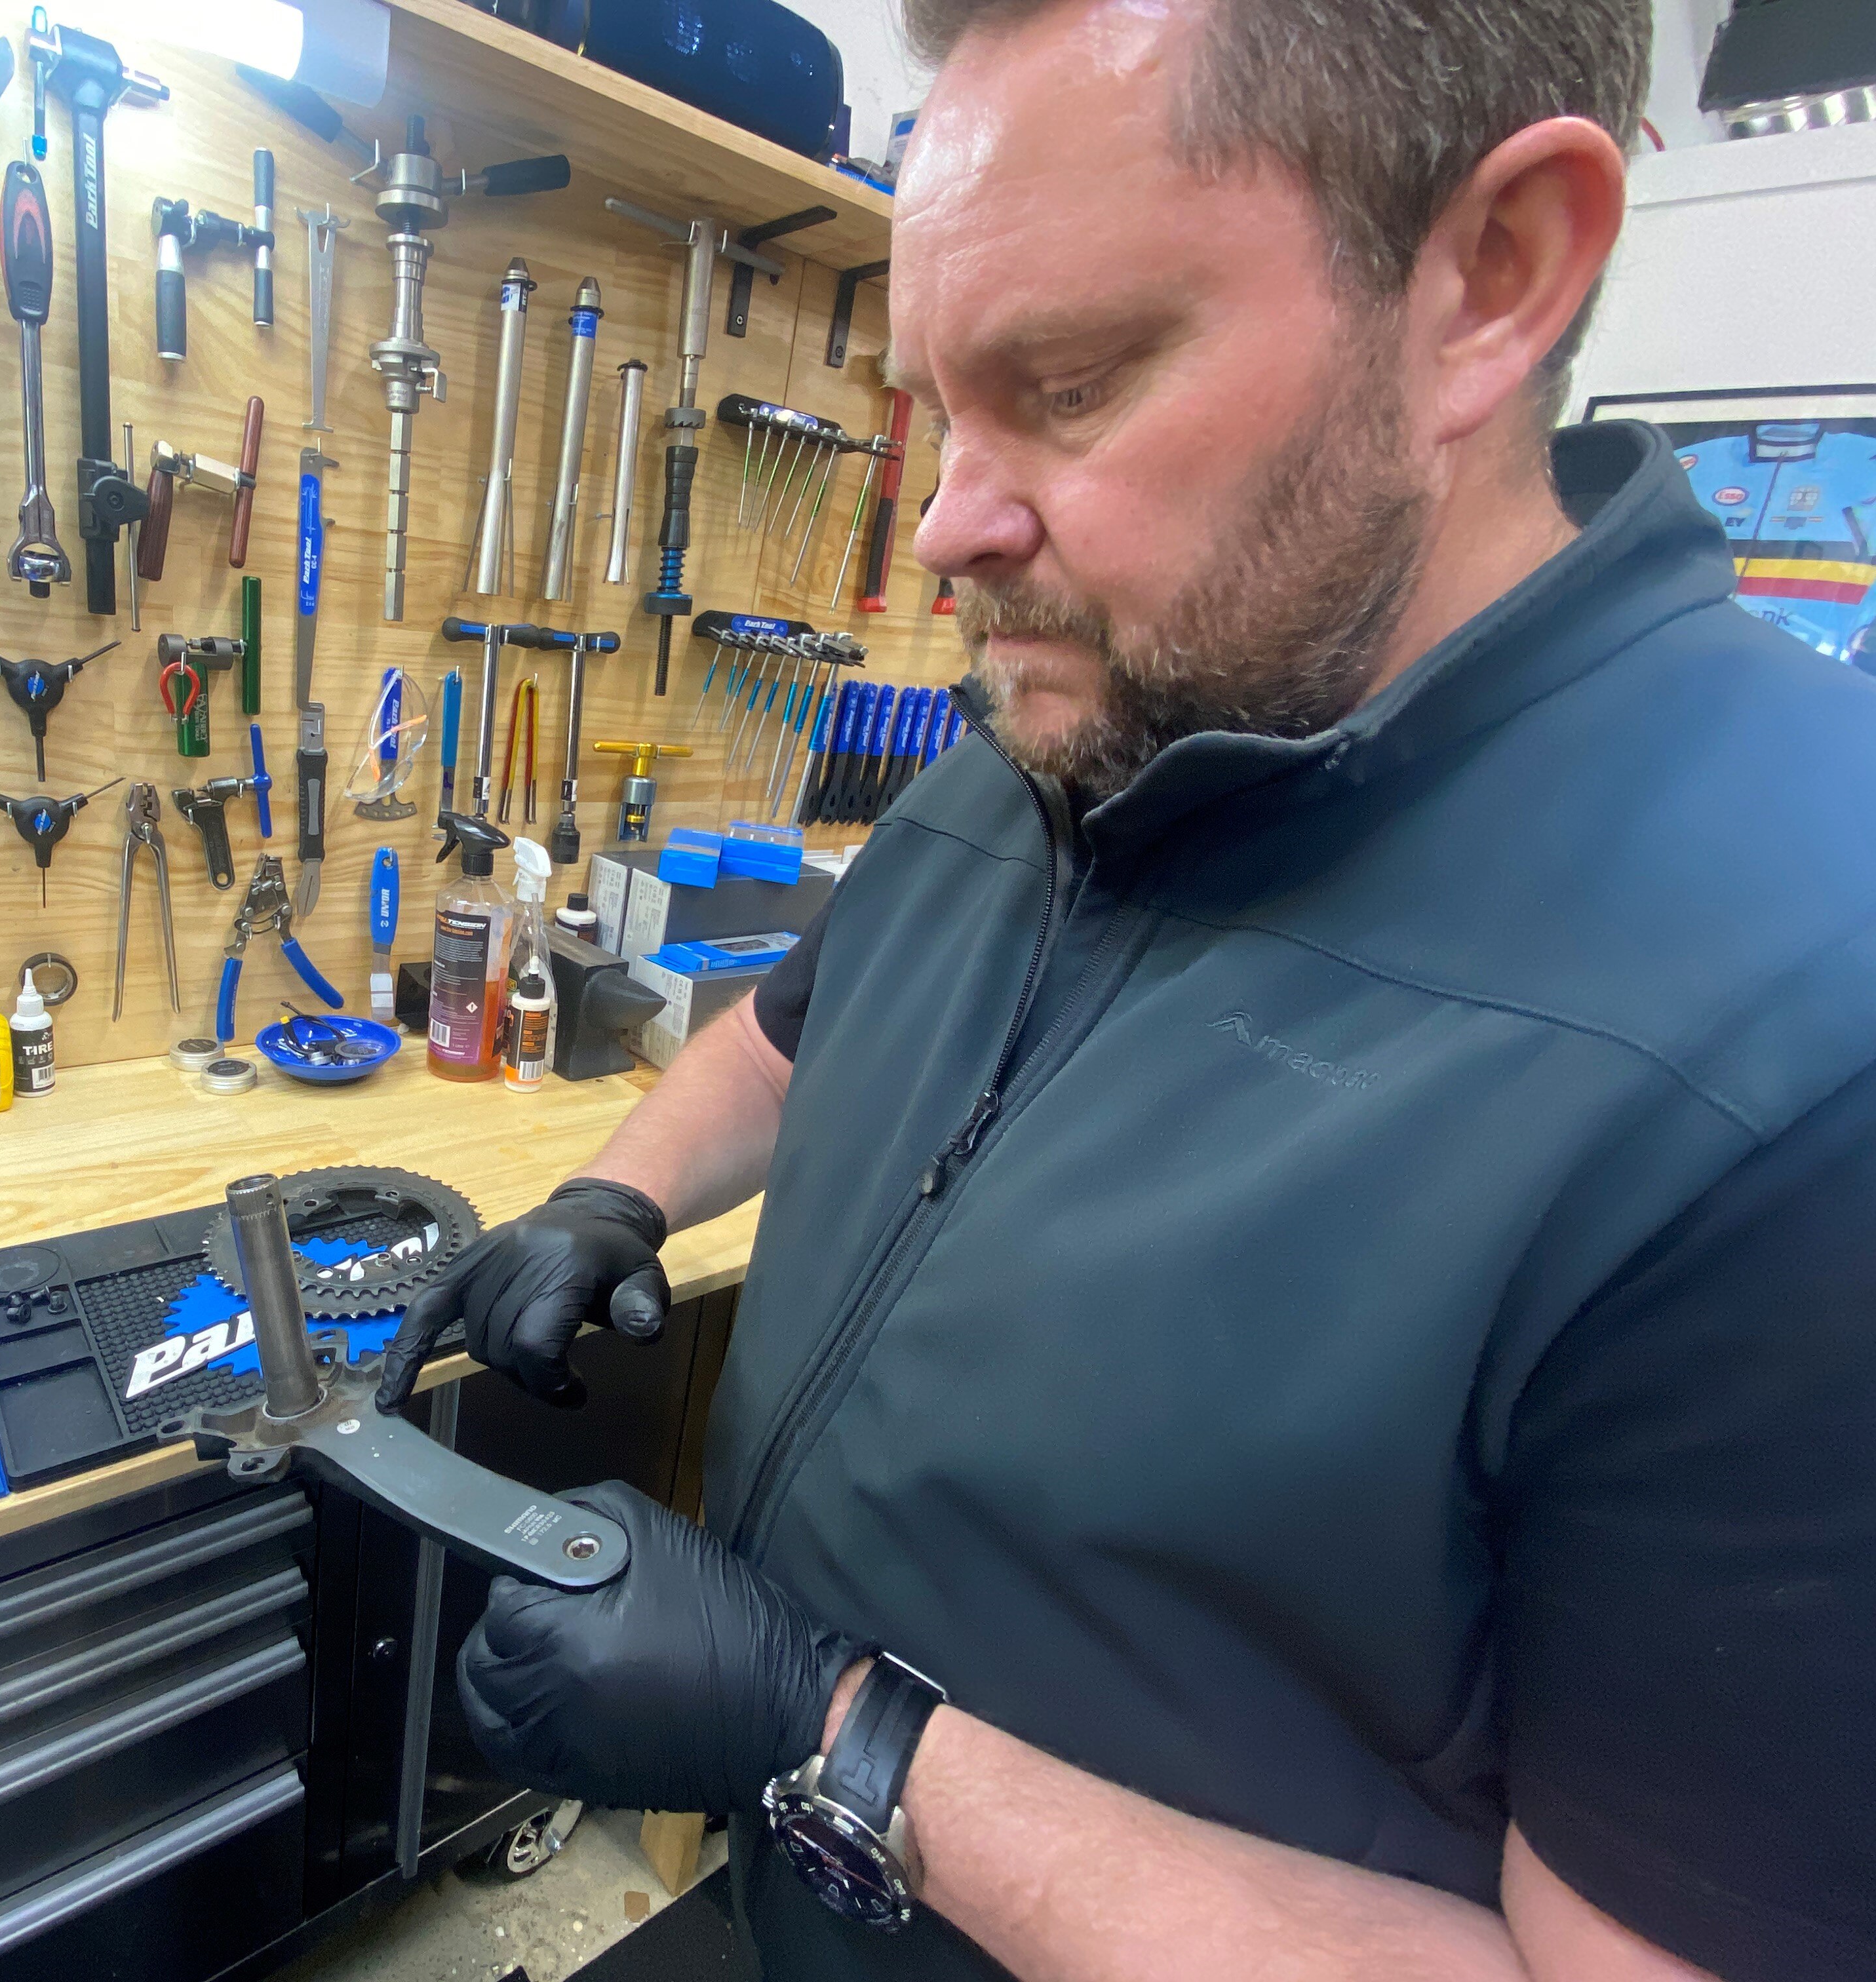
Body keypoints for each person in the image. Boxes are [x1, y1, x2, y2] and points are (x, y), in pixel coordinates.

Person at [372, 1, 1876, 1977]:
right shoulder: (1094, 707)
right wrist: (616, 1193)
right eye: (935, 408)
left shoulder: (1804, 1034)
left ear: (1489, 281)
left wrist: (837, 1734)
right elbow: (797, 1027)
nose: (944, 529)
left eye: (1068, 383)